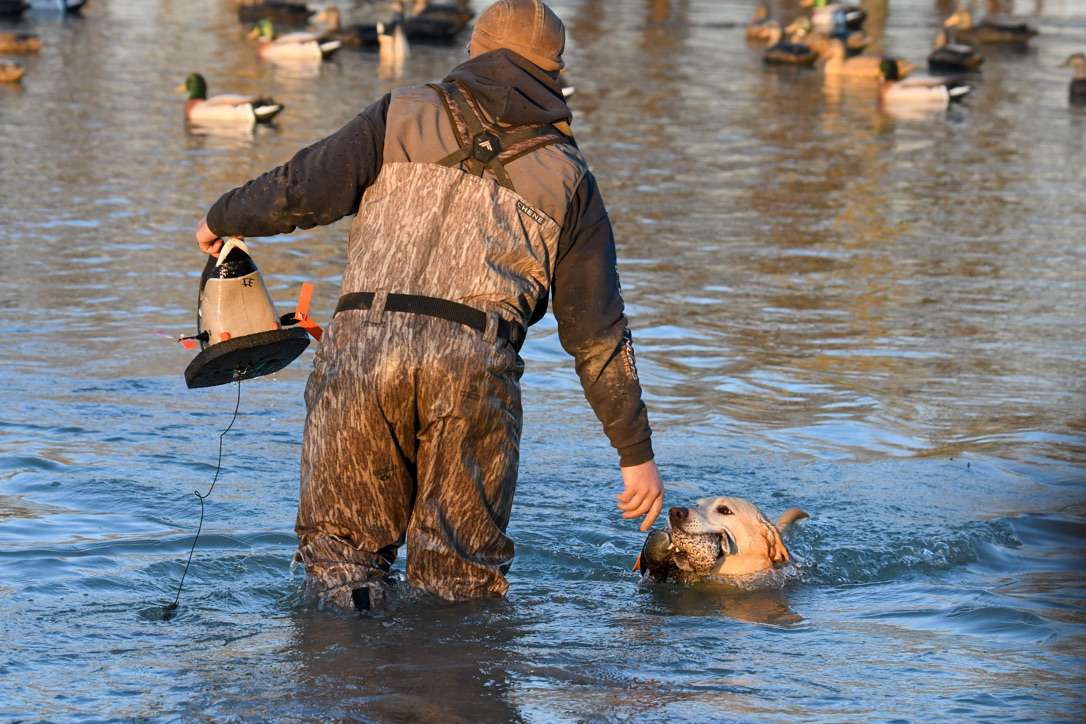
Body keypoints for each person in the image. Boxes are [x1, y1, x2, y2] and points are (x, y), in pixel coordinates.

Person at [195, 0, 664, 610]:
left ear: (474, 50)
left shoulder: (399, 112)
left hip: (361, 350)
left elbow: (301, 190)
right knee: (460, 586)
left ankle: (342, 679)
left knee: (341, 566)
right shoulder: (571, 179)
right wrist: (636, 457)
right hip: (472, 365)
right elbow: (599, 337)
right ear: (553, 71)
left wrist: (222, 216)